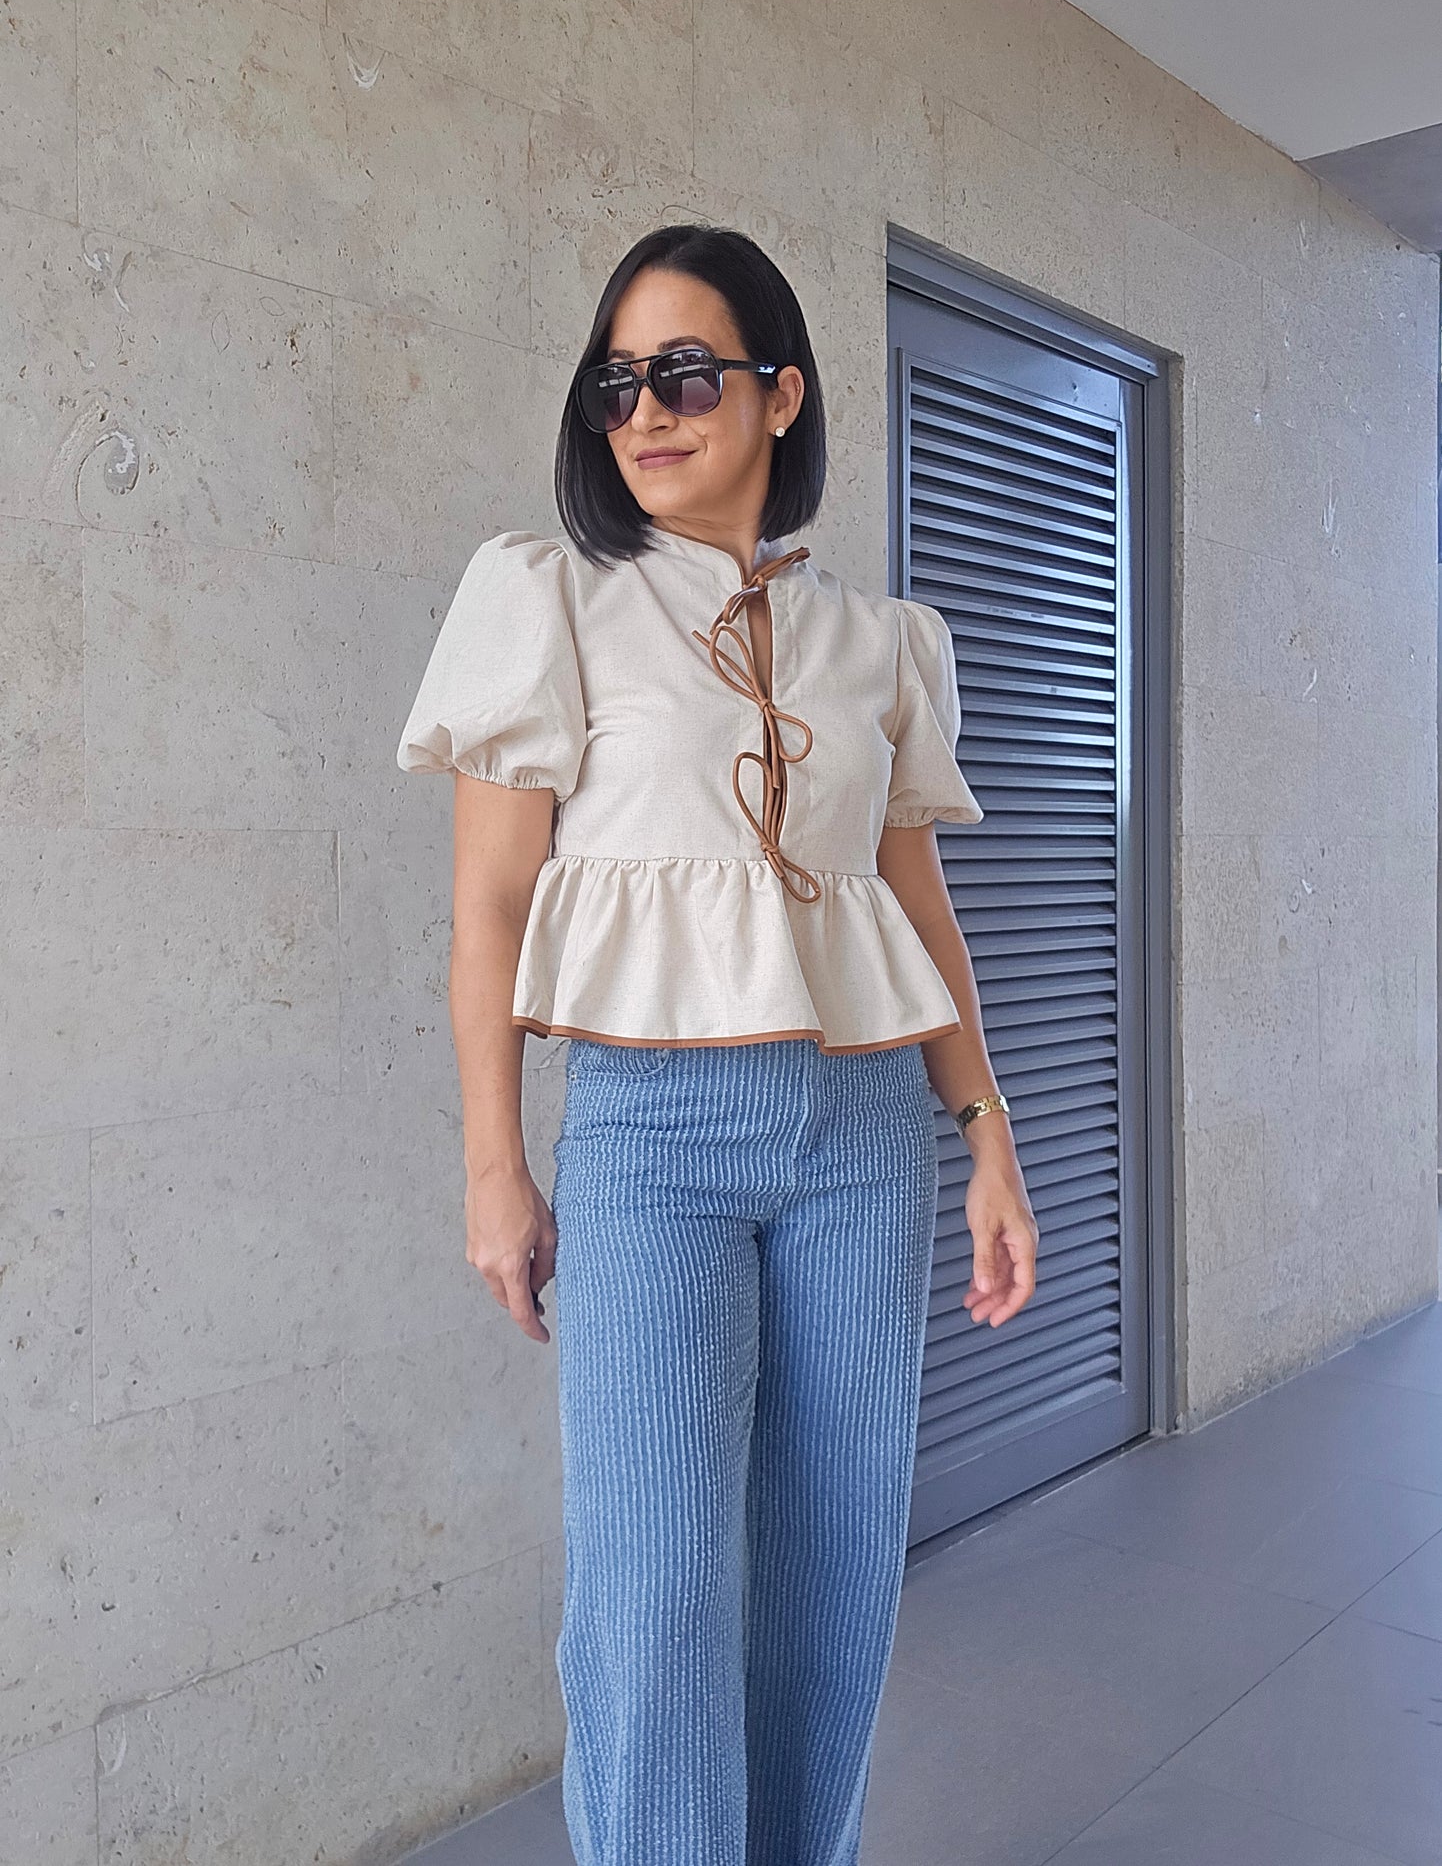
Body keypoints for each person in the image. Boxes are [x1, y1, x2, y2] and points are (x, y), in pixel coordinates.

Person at [396, 223, 1039, 1866]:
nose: (646, 410)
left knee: (828, 1578)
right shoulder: (548, 600)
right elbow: (486, 912)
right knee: (656, 1586)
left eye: (685, 371)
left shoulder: (876, 643)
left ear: (779, 392)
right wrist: (495, 1165)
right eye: (617, 381)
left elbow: (918, 909)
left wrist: (987, 1140)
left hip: (862, 1135)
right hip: (649, 1142)